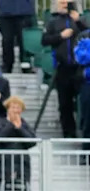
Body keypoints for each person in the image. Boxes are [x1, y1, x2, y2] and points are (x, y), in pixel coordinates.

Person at [42, 0, 86, 138]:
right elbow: (44, 40)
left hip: (80, 68)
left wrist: (78, 20)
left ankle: (84, 132)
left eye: (68, 2)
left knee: (84, 102)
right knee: (64, 104)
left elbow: (87, 32)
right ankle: (69, 134)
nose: (65, 4)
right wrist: (60, 36)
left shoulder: (81, 19)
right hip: (63, 68)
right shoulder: (52, 21)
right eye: (62, 2)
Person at [0, 0, 35, 73]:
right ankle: (7, 65)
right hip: (5, 11)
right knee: (7, 40)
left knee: (25, 41)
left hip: (24, 10)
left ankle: (26, 65)